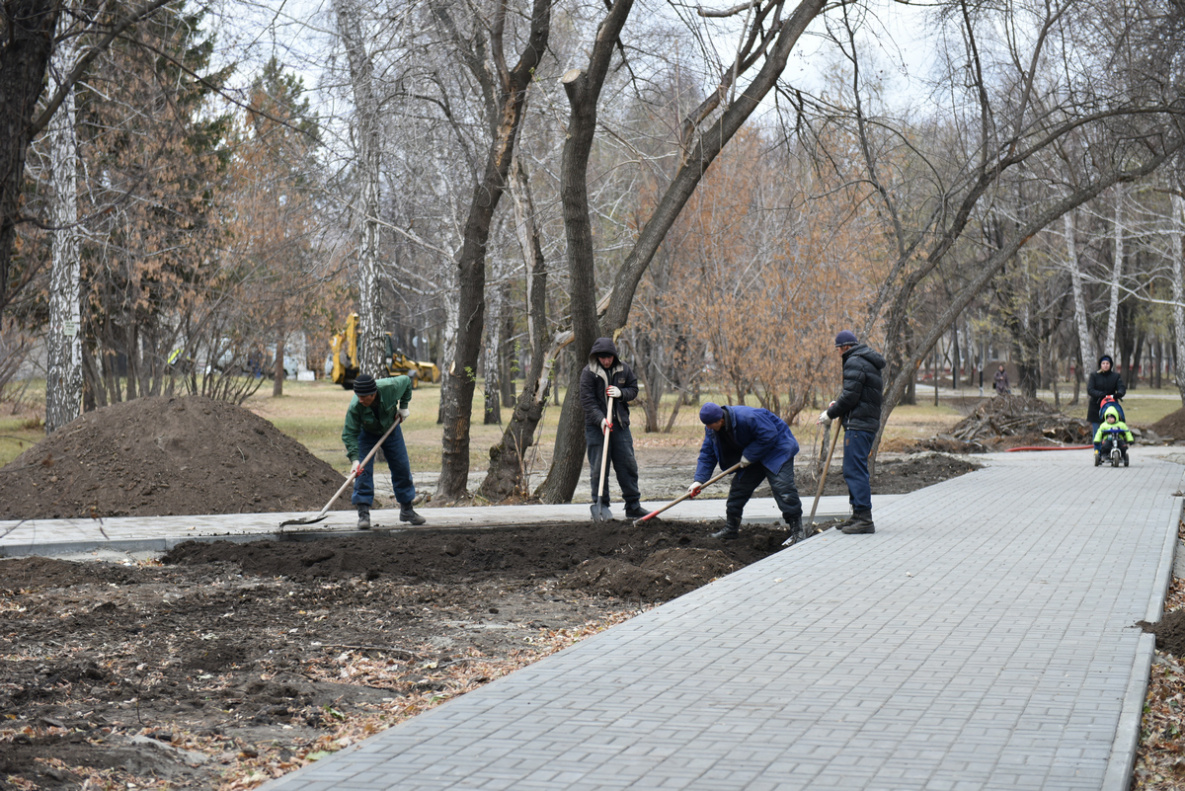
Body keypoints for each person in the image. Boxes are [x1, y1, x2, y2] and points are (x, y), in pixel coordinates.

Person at [689, 402, 804, 543]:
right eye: (706, 425)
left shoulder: (747, 417)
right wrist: (699, 480)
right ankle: (731, 529)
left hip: (777, 450)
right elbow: (707, 454)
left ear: (721, 420)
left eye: (710, 424)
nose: (708, 428)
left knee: (783, 489)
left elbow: (769, 434)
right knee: (738, 490)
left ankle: (797, 532)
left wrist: (749, 455)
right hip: (753, 456)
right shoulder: (712, 430)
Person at [817, 330, 886, 535]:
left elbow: (850, 397)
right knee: (853, 469)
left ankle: (864, 518)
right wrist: (839, 405)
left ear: (845, 347)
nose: (838, 353)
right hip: (864, 422)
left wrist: (831, 413)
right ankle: (857, 515)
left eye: (838, 349)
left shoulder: (854, 361)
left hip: (859, 425)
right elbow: (855, 393)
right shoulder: (866, 360)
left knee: (854, 470)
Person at [341, 373, 426, 529]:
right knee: (362, 471)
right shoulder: (356, 406)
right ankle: (363, 514)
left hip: (391, 428)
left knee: (401, 466)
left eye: (364, 397)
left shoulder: (390, 387)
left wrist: (403, 407)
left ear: (373, 394)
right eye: (358, 396)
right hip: (366, 433)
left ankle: (407, 510)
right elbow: (349, 434)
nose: (360, 399)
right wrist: (355, 459)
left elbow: (407, 381)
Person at [579, 337, 645, 520]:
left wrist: (622, 393)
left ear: (614, 356)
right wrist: (601, 420)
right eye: (602, 358)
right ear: (597, 357)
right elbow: (587, 401)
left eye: (608, 357)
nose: (606, 361)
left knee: (627, 464)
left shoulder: (623, 369)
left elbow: (633, 389)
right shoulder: (588, 373)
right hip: (596, 426)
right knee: (599, 467)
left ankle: (633, 505)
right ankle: (601, 505)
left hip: (620, 425)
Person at [1087, 355, 1126, 462]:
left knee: (1113, 430)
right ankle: (1098, 454)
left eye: (1107, 363)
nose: (1105, 365)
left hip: (1111, 408)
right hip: (1096, 407)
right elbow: (1090, 389)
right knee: (1098, 432)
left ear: (1110, 365)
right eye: (1103, 363)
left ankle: (1114, 451)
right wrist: (1101, 395)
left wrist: (1119, 394)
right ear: (1100, 365)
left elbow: (1121, 388)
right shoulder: (1094, 375)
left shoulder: (1116, 376)